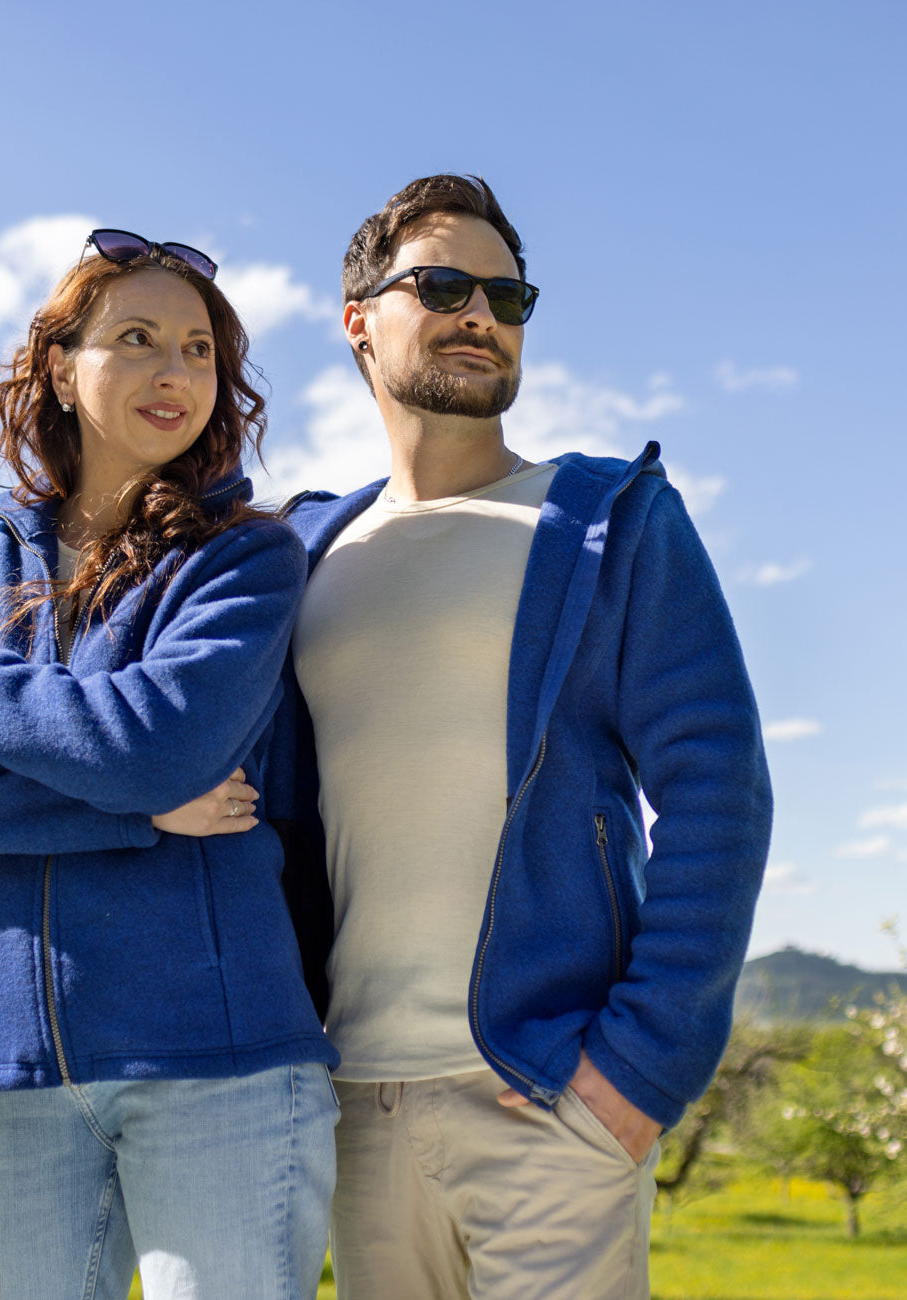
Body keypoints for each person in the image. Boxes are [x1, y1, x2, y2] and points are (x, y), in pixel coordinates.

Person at [267, 176, 773, 1299]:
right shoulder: (298, 551)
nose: (479, 314)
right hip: (349, 1106)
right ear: (358, 319)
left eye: (506, 294)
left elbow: (717, 794)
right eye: (442, 284)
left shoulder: (607, 521)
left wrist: (635, 1071)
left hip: (546, 1098)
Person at [0, 230, 339, 1300]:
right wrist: (138, 817)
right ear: (62, 366)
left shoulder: (244, 557)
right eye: (136, 338)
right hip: (6, 1074)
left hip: (218, 1067)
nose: (175, 371)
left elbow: (154, 741)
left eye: (199, 349)